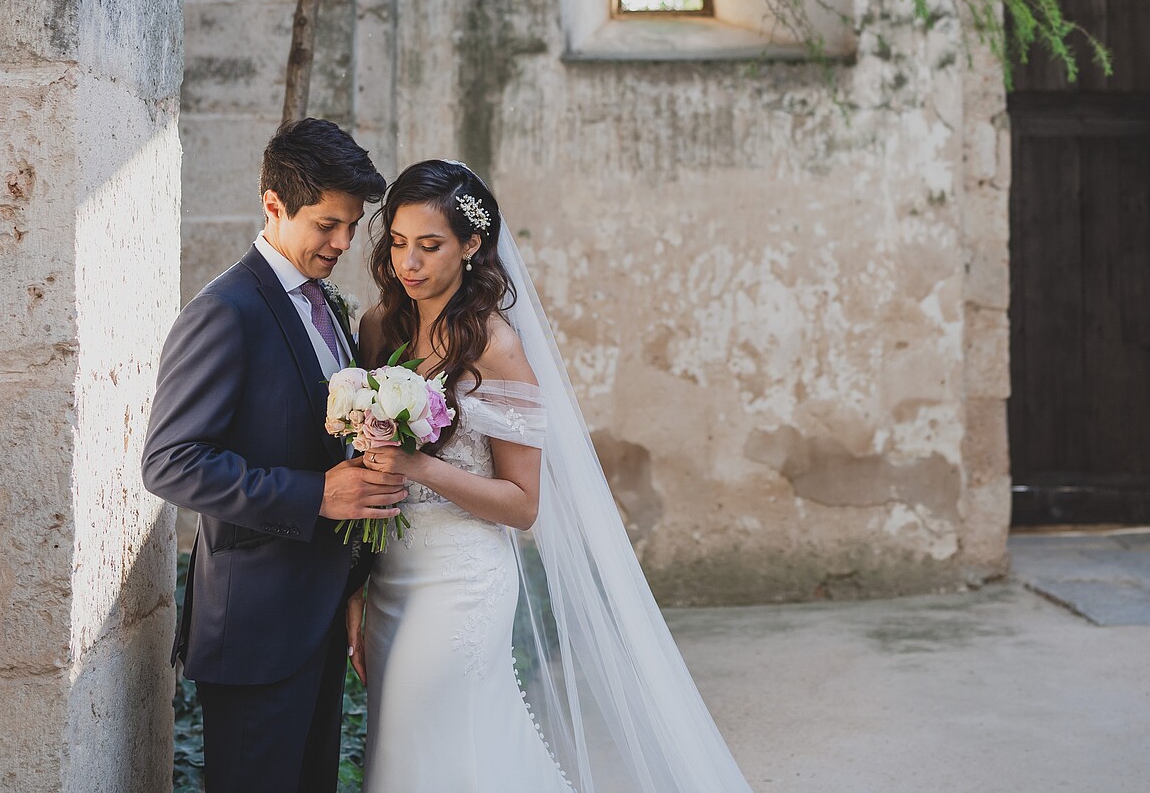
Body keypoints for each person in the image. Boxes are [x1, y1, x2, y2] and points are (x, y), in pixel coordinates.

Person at [355, 159, 760, 793]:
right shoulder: (379, 327)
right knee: (423, 752)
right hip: (389, 577)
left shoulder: (496, 347)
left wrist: (417, 465)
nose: (409, 262)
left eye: (430, 246)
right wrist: (354, 590)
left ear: (472, 244)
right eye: (399, 242)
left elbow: (522, 503)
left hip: (461, 581)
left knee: (419, 747)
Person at [142, 118, 405, 793]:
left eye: (352, 226)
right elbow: (170, 460)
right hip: (256, 629)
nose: (342, 242)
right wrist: (315, 494)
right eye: (327, 225)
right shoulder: (225, 311)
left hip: (319, 614)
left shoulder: (326, 305)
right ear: (273, 204)